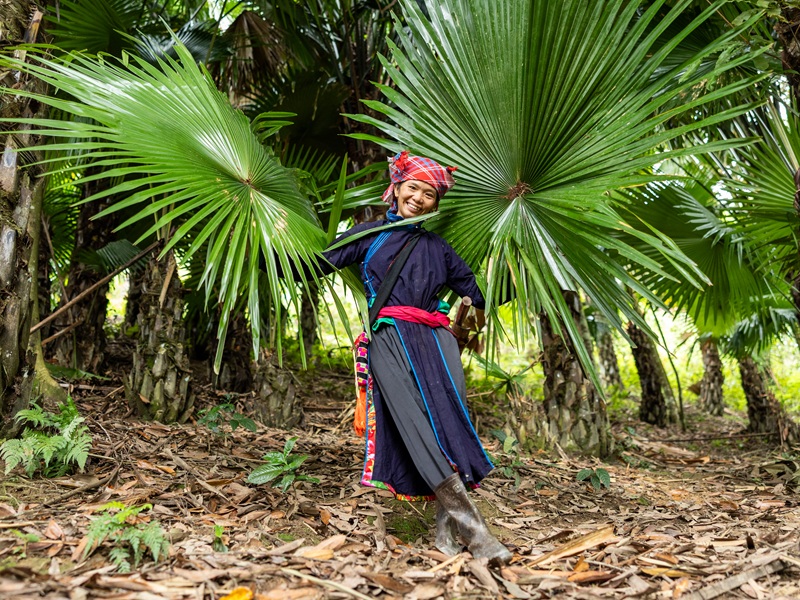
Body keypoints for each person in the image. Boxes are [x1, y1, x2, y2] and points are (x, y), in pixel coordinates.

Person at [307, 151, 511, 565]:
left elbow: (478, 293)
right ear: (396, 188)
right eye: (413, 188)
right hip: (389, 337)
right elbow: (311, 267)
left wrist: (472, 314)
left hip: (438, 341)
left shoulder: (440, 247)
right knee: (416, 425)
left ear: (437, 203)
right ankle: (477, 533)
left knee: (449, 426)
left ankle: (445, 535)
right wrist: (272, 238)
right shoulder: (367, 235)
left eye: (429, 193)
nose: (418, 198)